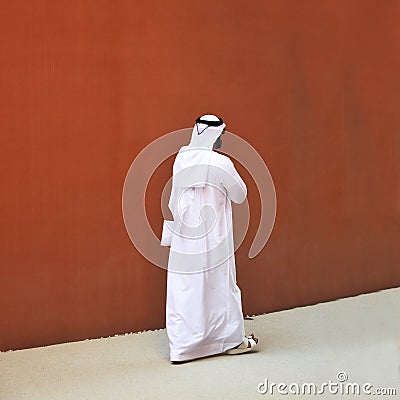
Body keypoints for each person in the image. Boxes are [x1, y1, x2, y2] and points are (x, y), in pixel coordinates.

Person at [161, 114, 259, 363]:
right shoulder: (221, 163)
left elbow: (174, 198)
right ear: (214, 135)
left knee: (187, 290)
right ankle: (231, 341)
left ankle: (183, 349)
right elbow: (239, 194)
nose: (222, 139)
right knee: (219, 287)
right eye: (221, 135)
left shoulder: (181, 159)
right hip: (214, 240)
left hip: (185, 240)